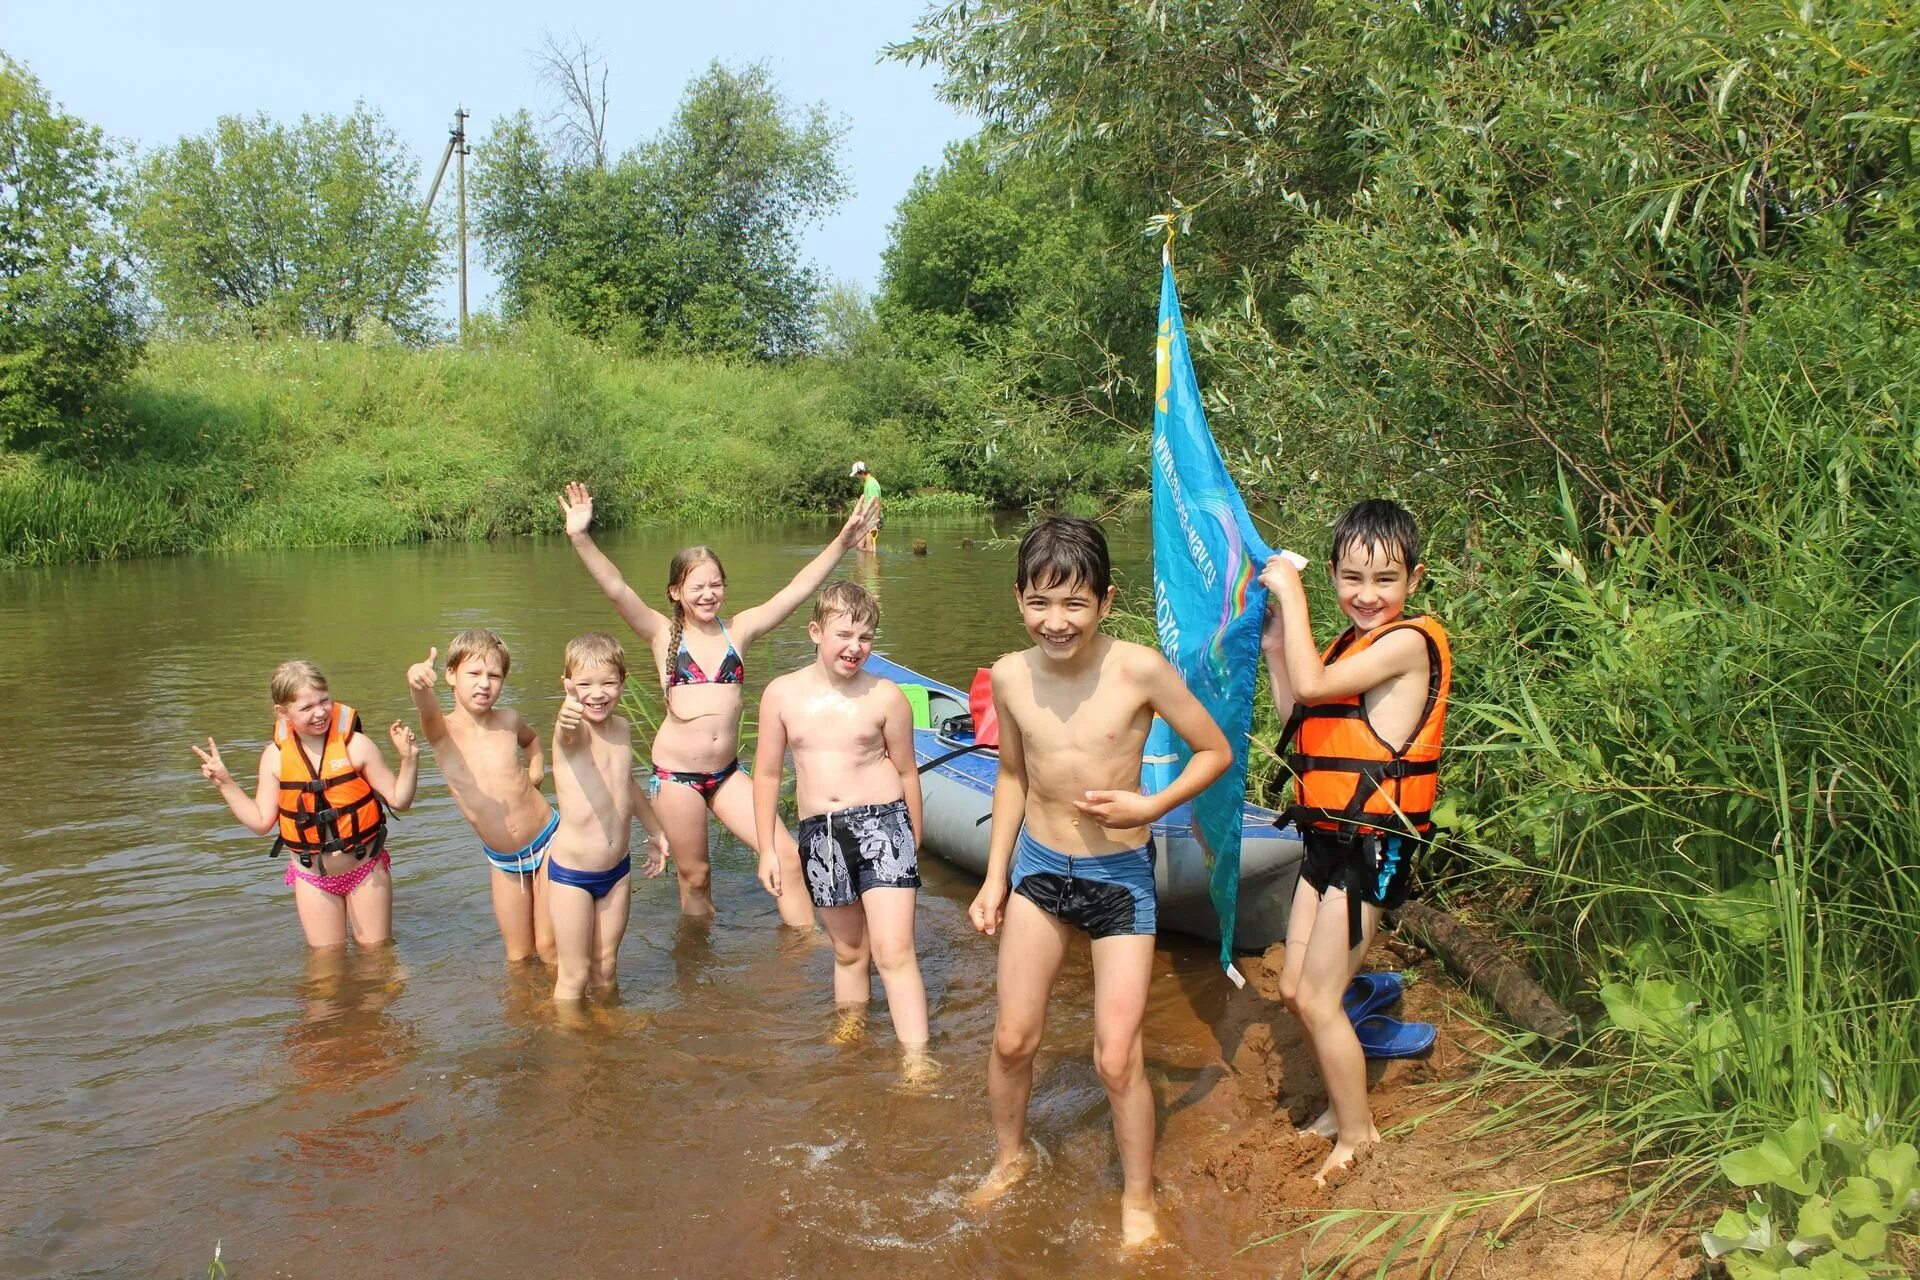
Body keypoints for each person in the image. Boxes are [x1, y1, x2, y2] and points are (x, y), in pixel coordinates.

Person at [966, 516, 1232, 1248]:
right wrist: (995, 879)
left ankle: (1138, 1198)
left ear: (1106, 601)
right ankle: (1010, 1157)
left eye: (1075, 603)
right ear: (1019, 599)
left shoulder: (1138, 669)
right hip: (1040, 870)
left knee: (1116, 1057)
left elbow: (1214, 750)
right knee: (1015, 1039)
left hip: (1119, 877)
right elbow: (1014, 774)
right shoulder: (1012, 675)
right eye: (1041, 603)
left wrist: (1150, 805)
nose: (1057, 622)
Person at [558, 482, 877, 928]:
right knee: (696, 877)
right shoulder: (661, 634)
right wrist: (580, 536)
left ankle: (807, 949)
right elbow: (616, 588)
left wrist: (842, 542)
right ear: (674, 592)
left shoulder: (739, 631)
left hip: (727, 775)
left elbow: (797, 590)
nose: (708, 594)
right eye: (697, 586)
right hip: (677, 779)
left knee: (785, 853)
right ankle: (696, 967)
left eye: (716, 585)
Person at [1259, 498, 1450, 1186]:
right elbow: (1299, 714)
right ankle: (1344, 1105)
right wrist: (1280, 649)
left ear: (1414, 579)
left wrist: (1289, 590)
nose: (1366, 596)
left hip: (1374, 844)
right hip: (1327, 837)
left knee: (1317, 997)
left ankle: (1359, 1132)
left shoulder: (1407, 643)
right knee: (1291, 989)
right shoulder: (1344, 647)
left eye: (1384, 580)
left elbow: (1314, 686)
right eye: (1350, 579)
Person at [752, 581, 930, 1077]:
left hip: (882, 823)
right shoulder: (782, 695)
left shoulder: (886, 697)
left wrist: (913, 834)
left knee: (895, 951)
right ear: (815, 632)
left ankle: (915, 1056)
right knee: (850, 950)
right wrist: (767, 848)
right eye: (844, 634)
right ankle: (852, 1032)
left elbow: (908, 769)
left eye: (866, 637)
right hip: (820, 834)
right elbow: (766, 774)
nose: (855, 646)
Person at [193, 660, 420, 948]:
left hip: (366, 871)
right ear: (282, 712)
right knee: (325, 965)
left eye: (324, 700)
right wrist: (226, 783)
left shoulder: (356, 745)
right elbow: (261, 822)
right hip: (312, 878)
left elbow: (400, 801)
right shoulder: (275, 757)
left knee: (377, 957)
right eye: (306, 707)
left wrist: (409, 759)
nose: (320, 712)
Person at [405, 628, 557, 965]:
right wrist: (417, 682)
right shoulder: (442, 732)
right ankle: (524, 1015)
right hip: (504, 861)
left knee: (550, 948)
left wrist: (536, 770)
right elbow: (426, 710)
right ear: (450, 676)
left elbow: (532, 741)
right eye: (473, 674)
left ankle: (565, 1013)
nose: (484, 683)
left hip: (549, 841)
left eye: (494, 675)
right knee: (518, 957)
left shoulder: (508, 720)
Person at [546, 632, 671, 1003]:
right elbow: (565, 730)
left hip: (617, 870)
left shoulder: (621, 729)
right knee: (574, 975)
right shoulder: (572, 731)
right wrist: (566, 713)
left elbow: (626, 784)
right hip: (573, 875)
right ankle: (568, 1054)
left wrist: (655, 830)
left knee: (605, 968)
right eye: (584, 684)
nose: (597, 693)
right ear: (568, 685)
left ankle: (608, 1040)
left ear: (623, 683)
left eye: (608, 683)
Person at [849, 461, 882, 552]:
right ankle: (864, 564)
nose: (856, 477)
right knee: (859, 547)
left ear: (861, 472)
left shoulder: (872, 484)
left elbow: (877, 503)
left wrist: (875, 523)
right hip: (867, 518)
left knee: (869, 547)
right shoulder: (867, 482)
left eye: (856, 475)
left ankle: (872, 563)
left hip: (872, 519)